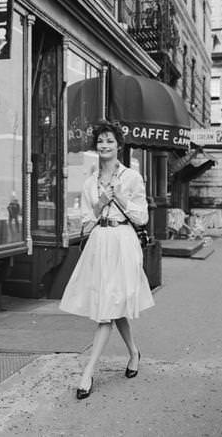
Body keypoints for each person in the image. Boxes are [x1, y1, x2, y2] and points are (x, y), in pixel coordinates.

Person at [59, 122, 154, 400]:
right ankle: (134, 352)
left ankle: (87, 372)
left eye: (110, 141)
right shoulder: (89, 182)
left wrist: (121, 197)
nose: (105, 146)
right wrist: (100, 203)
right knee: (112, 304)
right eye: (101, 141)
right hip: (100, 243)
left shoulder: (132, 178)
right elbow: (87, 222)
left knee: (107, 310)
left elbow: (142, 217)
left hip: (123, 242)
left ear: (118, 145)